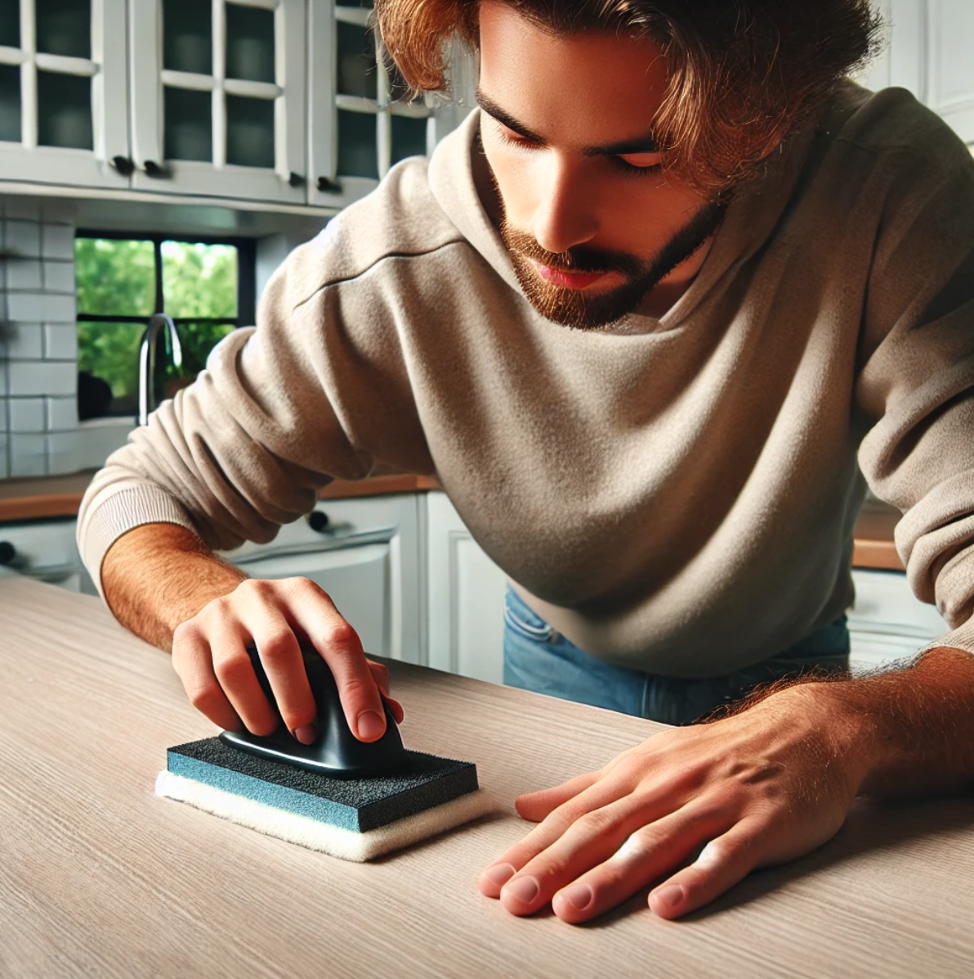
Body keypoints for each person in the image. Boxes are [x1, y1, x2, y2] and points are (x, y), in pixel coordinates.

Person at [77, 0, 974, 924]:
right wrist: (205, 601)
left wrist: (845, 726)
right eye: (512, 131)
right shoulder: (390, 258)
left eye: (640, 156)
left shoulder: (892, 195)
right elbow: (136, 495)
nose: (552, 225)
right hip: (553, 656)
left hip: (800, 677)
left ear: (770, 118)